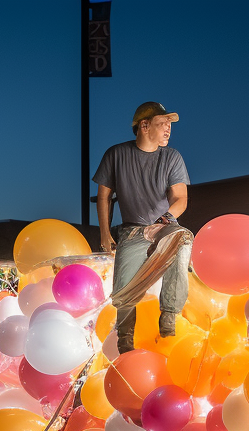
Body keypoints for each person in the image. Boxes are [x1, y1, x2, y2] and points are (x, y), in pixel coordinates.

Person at [94, 101, 191, 352]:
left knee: (182, 240)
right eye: (163, 124)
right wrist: (105, 233)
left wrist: (164, 219)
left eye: (170, 125)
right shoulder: (115, 154)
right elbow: (104, 196)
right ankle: (125, 338)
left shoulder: (172, 157)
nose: (168, 129)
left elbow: (180, 198)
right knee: (123, 289)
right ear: (144, 126)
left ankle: (169, 316)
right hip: (132, 230)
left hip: (165, 226)